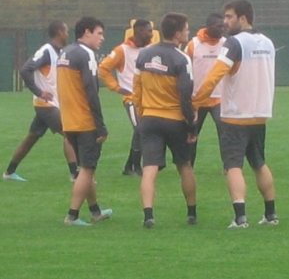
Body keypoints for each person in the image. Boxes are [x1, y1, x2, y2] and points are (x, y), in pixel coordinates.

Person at [193, 0, 278, 228]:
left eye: (229, 17)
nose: (225, 21)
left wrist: (197, 101)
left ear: (243, 18)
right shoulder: (268, 42)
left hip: (235, 114)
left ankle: (240, 217)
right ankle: (271, 214)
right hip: (260, 113)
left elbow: (214, 75)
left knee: (233, 166)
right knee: (259, 163)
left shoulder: (234, 43)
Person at [133, 12, 197, 229]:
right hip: (175, 120)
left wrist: (142, 115)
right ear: (178, 34)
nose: (189, 32)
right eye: (187, 29)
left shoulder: (143, 55)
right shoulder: (181, 59)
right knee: (184, 166)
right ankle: (191, 213)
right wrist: (191, 125)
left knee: (149, 168)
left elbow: (137, 90)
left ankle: (148, 215)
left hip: (149, 119)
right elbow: (185, 95)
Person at [2, 21, 78, 182]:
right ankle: (75, 174)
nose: (68, 33)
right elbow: (25, 70)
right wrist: (39, 92)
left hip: (50, 105)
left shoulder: (58, 52)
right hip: (46, 106)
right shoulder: (46, 51)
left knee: (31, 138)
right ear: (59, 32)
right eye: (66, 30)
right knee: (70, 133)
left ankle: (9, 172)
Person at [57, 16, 112, 226]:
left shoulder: (65, 52)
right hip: (85, 121)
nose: (102, 38)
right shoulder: (86, 54)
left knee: (86, 168)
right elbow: (91, 90)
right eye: (99, 33)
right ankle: (72, 215)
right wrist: (100, 124)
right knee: (87, 169)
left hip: (69, 121)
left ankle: (96, 211)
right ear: (86, 32)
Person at [99, 19, 153, 176]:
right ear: (139, 32)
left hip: (148, 98)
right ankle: (136, 166)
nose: (151, 34)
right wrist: (115, 87)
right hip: (131, 99)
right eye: (149, 31)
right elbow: (103, 69)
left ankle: (129, 167)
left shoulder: (150, 49)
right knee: (140, 129)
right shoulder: (122, 50)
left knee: (143, 130)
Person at [184, 13, 226, 169]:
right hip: (197, 99)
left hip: (219, 98)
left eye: (223, 26)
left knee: (225, 133)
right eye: (219, 26)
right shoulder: (193, 44)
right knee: (191, 134)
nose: (222, 29)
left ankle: (228, 166)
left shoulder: (226, 44)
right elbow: (184, 69)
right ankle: (188, 166)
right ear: (208, 26)